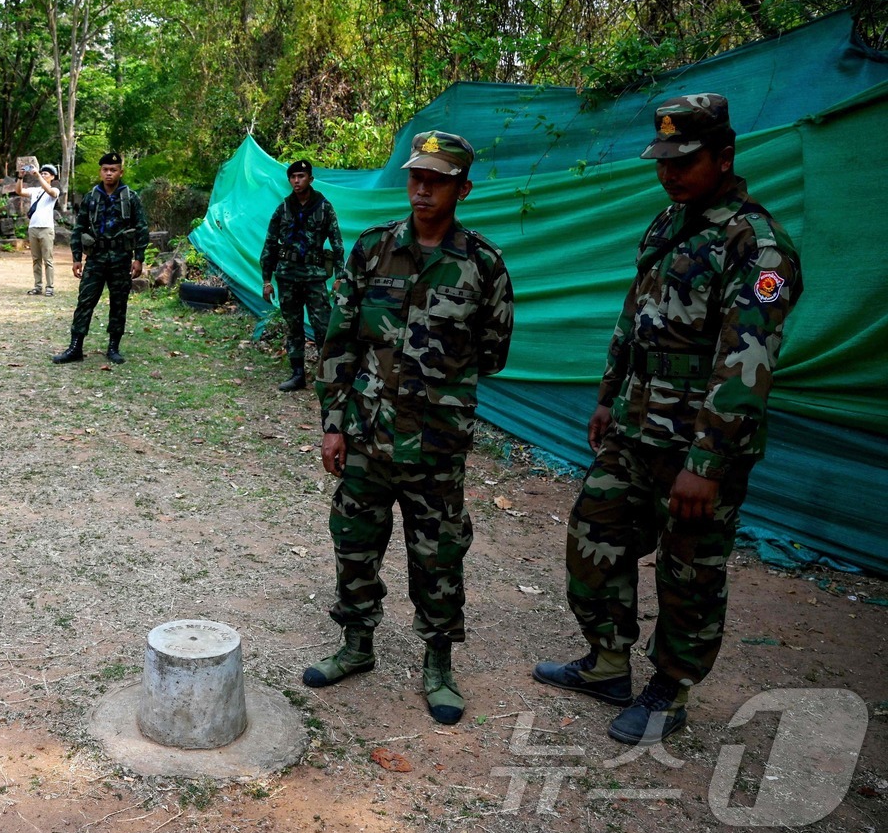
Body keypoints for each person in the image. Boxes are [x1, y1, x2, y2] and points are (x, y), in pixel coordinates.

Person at [533, 94, 802, 745]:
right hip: (636, 428)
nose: (670, 173)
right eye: (663, 161)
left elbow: (747, 360)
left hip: (697, 449)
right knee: (593, 534)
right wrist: (606, 395)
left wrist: (706, 465)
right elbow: (634, 318)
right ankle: (606, 662)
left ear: (725, 157)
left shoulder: (756, 245)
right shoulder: (665, 226)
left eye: (686, 161)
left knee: (688, 572)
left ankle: (670, 688)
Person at [306, 131, 514, 727]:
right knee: (354, 541)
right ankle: (356, 645)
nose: (422, 187)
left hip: (437, 444)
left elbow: (494, 352)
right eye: (416, 176)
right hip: (368, 434)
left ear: (462, 189)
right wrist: (333, 425)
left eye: (438, 179)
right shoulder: (371, 251)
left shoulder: (483, 265)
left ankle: (438, 663)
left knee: (439, 555)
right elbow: (339, 342)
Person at [52, 152, 149, 365]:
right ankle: (75, 347)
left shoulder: (130, 197)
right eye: (105, 169)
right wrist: (76, 257)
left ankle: (113, 347)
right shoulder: (91, 197)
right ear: (100, 171)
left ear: (120, 172)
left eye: (113, 170)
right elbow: (80, 227)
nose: (109, 173)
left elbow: (141, 228)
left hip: (120, 258)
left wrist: (139, 258)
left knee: (118, 302)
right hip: (95, 259)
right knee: (85, 301)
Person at [261, 159, 344, 391]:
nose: (297, 181)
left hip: (315, 278)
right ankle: (297, 374)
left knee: (323, 326)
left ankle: (327, 375)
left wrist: (340, 276)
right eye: (293, 177)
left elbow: (337, 243)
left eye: (301, 176)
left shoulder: (324, 207)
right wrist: (266, 280)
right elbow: (269, 245)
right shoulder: (284, 208)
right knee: (293, 326)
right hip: (287, 276)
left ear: (310, 179)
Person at [15, 163, 61, 296]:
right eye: (43, 173)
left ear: (52, 177)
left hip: (46, 228)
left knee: (48, 259)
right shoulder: (35, 190)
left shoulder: (55, 190)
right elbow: (19, 191)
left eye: (46, 173)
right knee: (36, 259)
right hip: (33, 227)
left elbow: (50, 192)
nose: (43, 175)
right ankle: (38, 286)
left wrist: (38, 176)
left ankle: (50, 287)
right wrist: (20, 177)